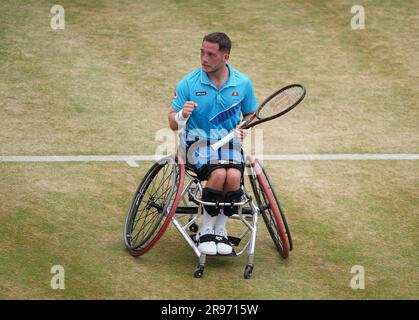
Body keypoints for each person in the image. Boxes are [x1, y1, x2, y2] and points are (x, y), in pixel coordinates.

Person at [168, 32, 258, 255]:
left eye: (211, 54)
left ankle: (220, 230)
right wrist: (181, 115)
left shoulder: (243, 83)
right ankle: (205, 230)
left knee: (234, 176)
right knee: (219, 175)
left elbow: (250, 114)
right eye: (202, 52)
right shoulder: (188, 83)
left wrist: (244, 127)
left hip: (229, 143)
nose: (204, 58)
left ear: (225, 57)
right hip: (195, 144)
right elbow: (172, 122)